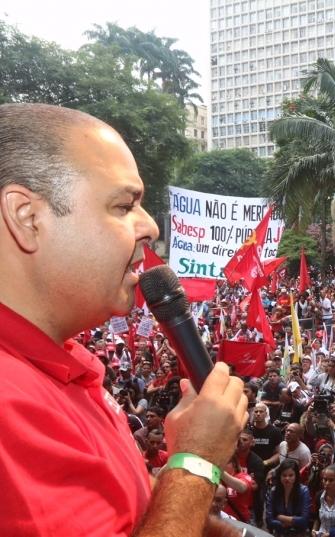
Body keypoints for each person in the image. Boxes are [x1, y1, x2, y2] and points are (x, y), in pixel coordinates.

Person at [0, 103, 248, 536]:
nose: (150, 226)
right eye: (122, 205)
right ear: (27, 217)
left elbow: (127, 513)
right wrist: (196, 460)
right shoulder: (10, 404)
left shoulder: (67, 362)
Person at [265, 460, 311, 536]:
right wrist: (290, 523)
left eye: (290, 475)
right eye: (284, 475)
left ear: (296, 476)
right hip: (279, 534)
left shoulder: (304, 491)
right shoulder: (273, 491)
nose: (287, 478)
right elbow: (269, 520)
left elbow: (304, 520)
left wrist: (280, 517)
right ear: (279, 476)